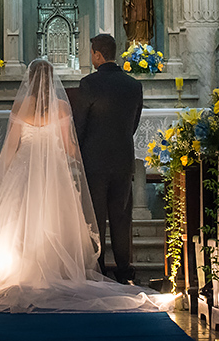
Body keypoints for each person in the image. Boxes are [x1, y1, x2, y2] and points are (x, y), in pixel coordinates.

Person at [0, 58, 165, 313]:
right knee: (57, 218)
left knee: (21, 219)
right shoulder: (60, 107)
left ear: (29, 80)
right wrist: (71, 161)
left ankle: (18, 269)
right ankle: (59, 269)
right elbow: (69, 146)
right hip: (54, 171)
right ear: (53, 80)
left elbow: (11, 146)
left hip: (24, 169)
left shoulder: (21, 106)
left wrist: (5, 175)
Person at [71, 34, 143, 284]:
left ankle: (98, 271)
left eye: (92, 53)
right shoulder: (134, 85)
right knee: (122, 216)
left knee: (96, 217)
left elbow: (80, 124)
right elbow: (134, 123)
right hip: (123, 159)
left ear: (98, 55)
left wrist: (78, 152)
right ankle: (125, 272)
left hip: (95, 161)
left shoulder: (88, 84)